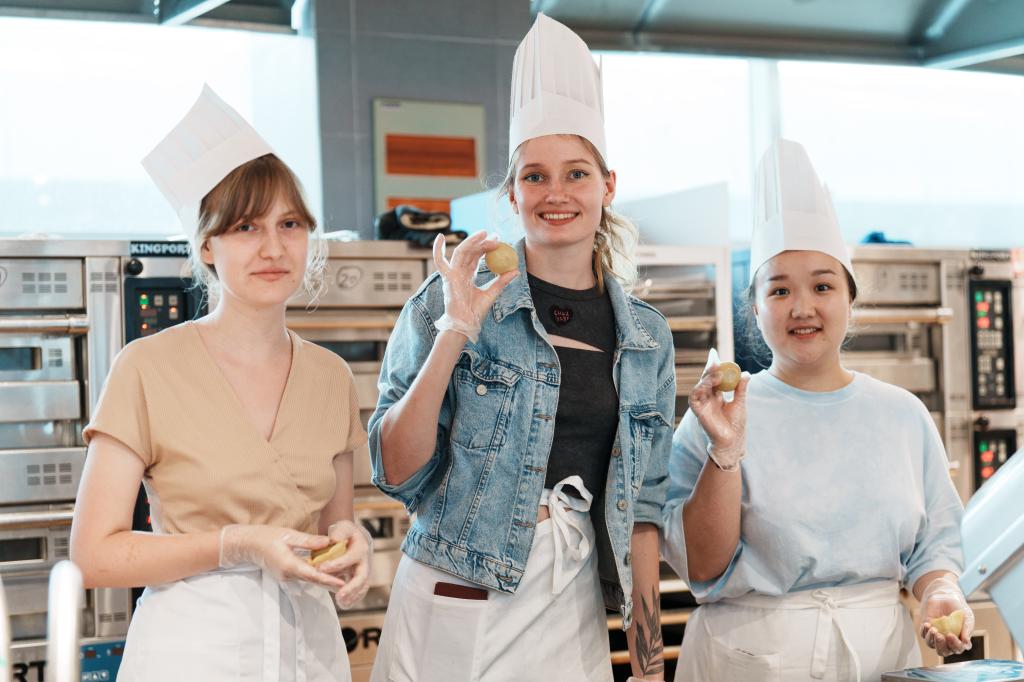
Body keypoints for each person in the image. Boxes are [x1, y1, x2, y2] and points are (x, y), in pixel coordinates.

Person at [367, 14, 674, 682]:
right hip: (458, 598)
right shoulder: (450, 299)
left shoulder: (647, 338)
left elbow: (643, 517)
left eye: (576, 174)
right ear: (511, 192)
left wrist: (649, 667)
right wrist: (455, 331)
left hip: (571, 605)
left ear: (608, 186)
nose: (555, 194)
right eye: (535, 177)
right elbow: (394, 469)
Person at [69, 85, 372, 681]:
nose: (273, 247)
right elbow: (94, 554)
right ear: (207, 245)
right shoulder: (147, 368)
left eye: (290, 224)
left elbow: (332, 525)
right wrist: (235, 544)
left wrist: (349, 543)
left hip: (308, 653)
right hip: (190, 653)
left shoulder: (330, 377)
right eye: (246, 227)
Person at [661, 139, 974, 682]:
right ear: (755, 308)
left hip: (880, 656)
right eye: (780, 291)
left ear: (849, 299)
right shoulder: (719, 416)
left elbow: (935, 549)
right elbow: (703, 567)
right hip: (748, 660)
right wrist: (725, 452)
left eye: (822, 286)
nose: (802, 307)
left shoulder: (902, 415)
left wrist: (940, 591)